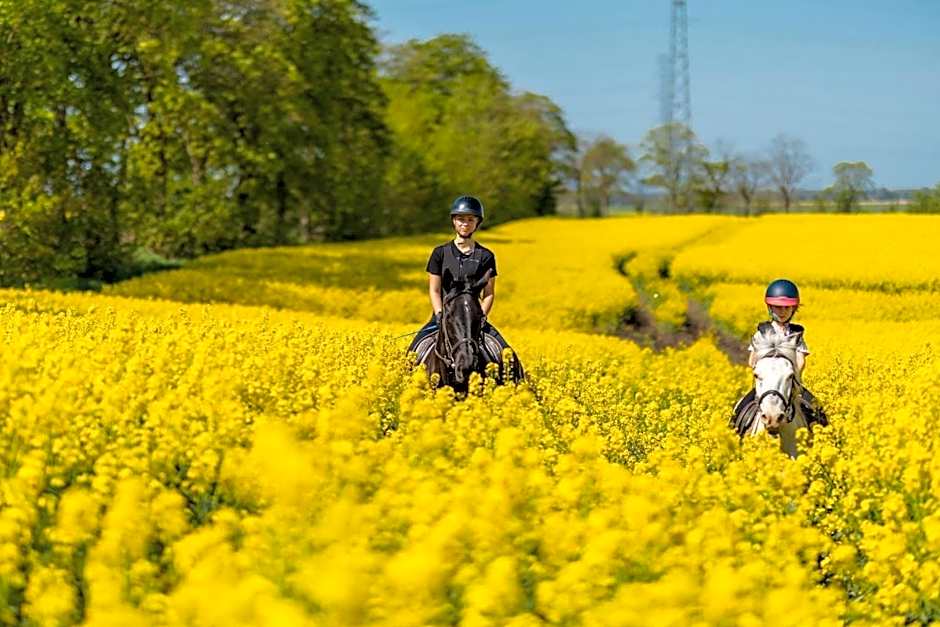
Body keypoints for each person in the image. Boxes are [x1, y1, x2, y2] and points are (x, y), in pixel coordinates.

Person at [408, 195, 511, 361]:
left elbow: (489, 293)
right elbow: (434, 290)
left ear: (477, 223)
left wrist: (480, 316)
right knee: (413, 354)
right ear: (454, 221)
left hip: (474, 319)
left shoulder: (485, 256)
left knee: (506, 355)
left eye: (470, 219)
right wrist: (440, 314)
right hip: (443, 316)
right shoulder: (439, 253)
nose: (465, 223)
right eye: (461, 219)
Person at [740, 279, 828, 427]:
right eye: (778, 307)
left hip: (789, 384)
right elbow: (752, 360)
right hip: (766, 383)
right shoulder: (762, 333)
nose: (782, 312)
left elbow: (800, 360)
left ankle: (826, 439)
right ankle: (735, 438)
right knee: (741, 410)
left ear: (793, 309)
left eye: (787, 308)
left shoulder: (795, 334)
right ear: (770, 308)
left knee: (817, 411)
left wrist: (790, 374)